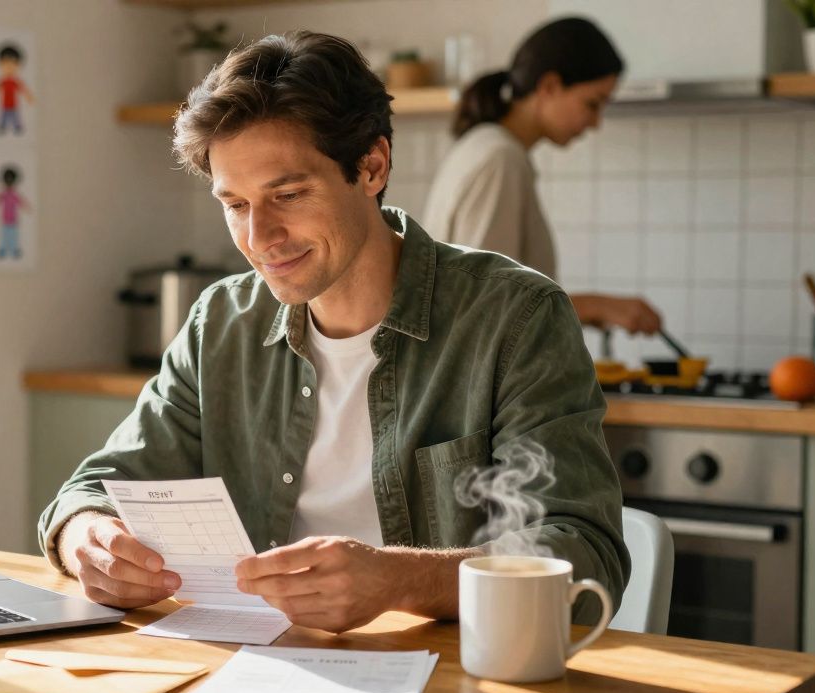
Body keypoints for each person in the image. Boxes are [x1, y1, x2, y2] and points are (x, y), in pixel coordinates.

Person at [38, 31, 628, 632]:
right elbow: (92, 488)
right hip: (251, 676)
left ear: (371, 166)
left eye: (288, 194)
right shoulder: (220, 323)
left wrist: (398, 579)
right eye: (236, 205)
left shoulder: (515, 317)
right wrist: (86, 537)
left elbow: (585, 556)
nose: (259, 238)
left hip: (455, 691)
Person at [422, 17, 661, 336]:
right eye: (592, 104)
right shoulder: (499, 158)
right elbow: (482, 303)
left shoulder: (489, 149)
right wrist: (596, 305)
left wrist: (581, 312)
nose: (595, 123)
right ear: (549, 86)